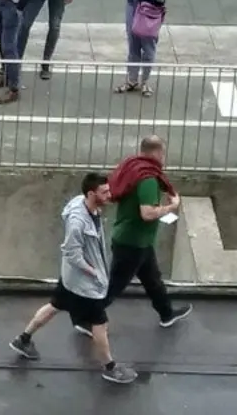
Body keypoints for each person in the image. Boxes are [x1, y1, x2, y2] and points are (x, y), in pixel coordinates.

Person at [9, 172, 139, 385]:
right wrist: (93, 272)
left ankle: (23, 339)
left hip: (71, 280)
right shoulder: (78, 222)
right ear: (91, 193)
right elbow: (71, 253)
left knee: (54, 306)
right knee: (100, 323)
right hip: (84, 285)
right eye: (104, 192)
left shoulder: (84, 204)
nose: (109, 195)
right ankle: (110, 367)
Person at [70, 135, 192, 334]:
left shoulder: (132, 167)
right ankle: (85, 319)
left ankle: (166, 314)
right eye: (163, 153)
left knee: (152, 279)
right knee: (113, 286)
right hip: (133, 242)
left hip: (136, 240)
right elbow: (147, 213)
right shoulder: (148, 180)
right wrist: (171, 206)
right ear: (157, 153)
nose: (164, 157)